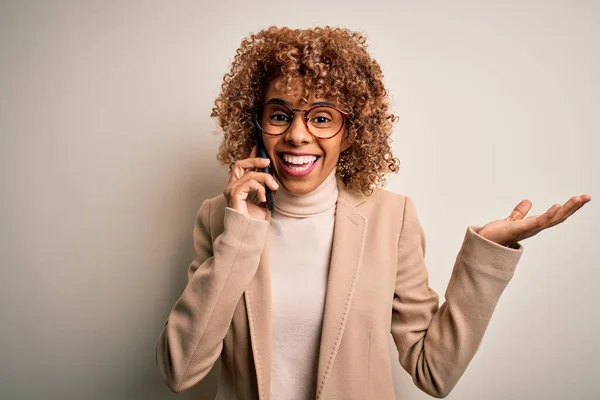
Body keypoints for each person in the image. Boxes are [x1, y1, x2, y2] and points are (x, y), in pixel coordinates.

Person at [156, 26, 591, 399]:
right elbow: (181, 371)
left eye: (322, 117)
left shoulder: (391, 218)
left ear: (350, 134)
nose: (298, 135)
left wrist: (487, 255)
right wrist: (240, 238)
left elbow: (433, 372)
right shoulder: (219, 217)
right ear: (257, 123)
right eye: (280, 115)